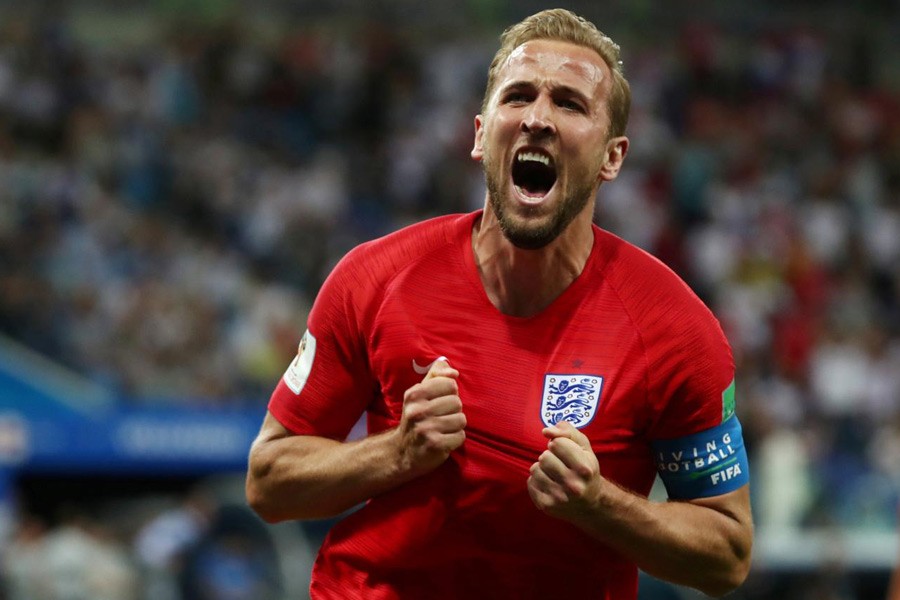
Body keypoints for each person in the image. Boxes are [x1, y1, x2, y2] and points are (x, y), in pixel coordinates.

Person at [246, 8, 753, 599]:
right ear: (483, 134)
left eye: (569, 103)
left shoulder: (674, 331)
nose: (538, 118)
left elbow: (728, 554)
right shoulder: (375, 277)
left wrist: (599, 505)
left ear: (613, 157)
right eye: (519, 97)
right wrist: (397, 452)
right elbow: (269, 481)